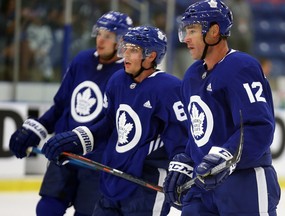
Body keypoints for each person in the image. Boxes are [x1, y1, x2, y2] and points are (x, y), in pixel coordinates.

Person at [41, 25, 188, 216]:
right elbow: (109, 124)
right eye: (125, 48)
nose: (125, 55)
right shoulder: (117, 80)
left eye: (133, 50)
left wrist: (182, 168)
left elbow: (182, 137)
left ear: (151, 55)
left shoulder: (169, 88)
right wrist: (77, 139)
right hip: (112, 179)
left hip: (147, 186)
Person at [9, 11, 133, 216]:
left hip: (97, 162)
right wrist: (36, 129)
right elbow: (61, 105)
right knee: (47, 209)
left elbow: (115, 124)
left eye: (108, 36)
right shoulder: (82, 60)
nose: (100, 40)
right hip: (64, 152)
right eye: (99, 33)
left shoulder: (125, 75)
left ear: (121, 41)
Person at [164, 0, 281, 215]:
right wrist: (187, 160)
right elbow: (199, 132)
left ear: (214, 31)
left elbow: (259, 127)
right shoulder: (191, 76)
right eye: (185, 31)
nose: (186, 39)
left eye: (192, 31)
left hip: (243, 182)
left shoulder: (240, 67)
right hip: (203, 187)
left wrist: (226, 155)